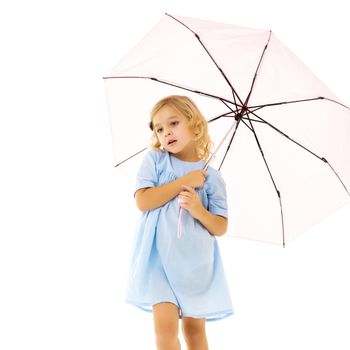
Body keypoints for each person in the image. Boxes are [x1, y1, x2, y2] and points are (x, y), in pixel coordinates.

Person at [126, 95, 233, 350]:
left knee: (195, 333)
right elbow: (144, 201)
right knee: (165, 330)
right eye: (159, 128)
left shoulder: (212, 178)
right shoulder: (156, 160)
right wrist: (182, 183)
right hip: (158, 260)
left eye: (173, 123)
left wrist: (198, 209)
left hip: (194, 264)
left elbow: (220, 226)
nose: (166, 132)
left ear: (195, 125)